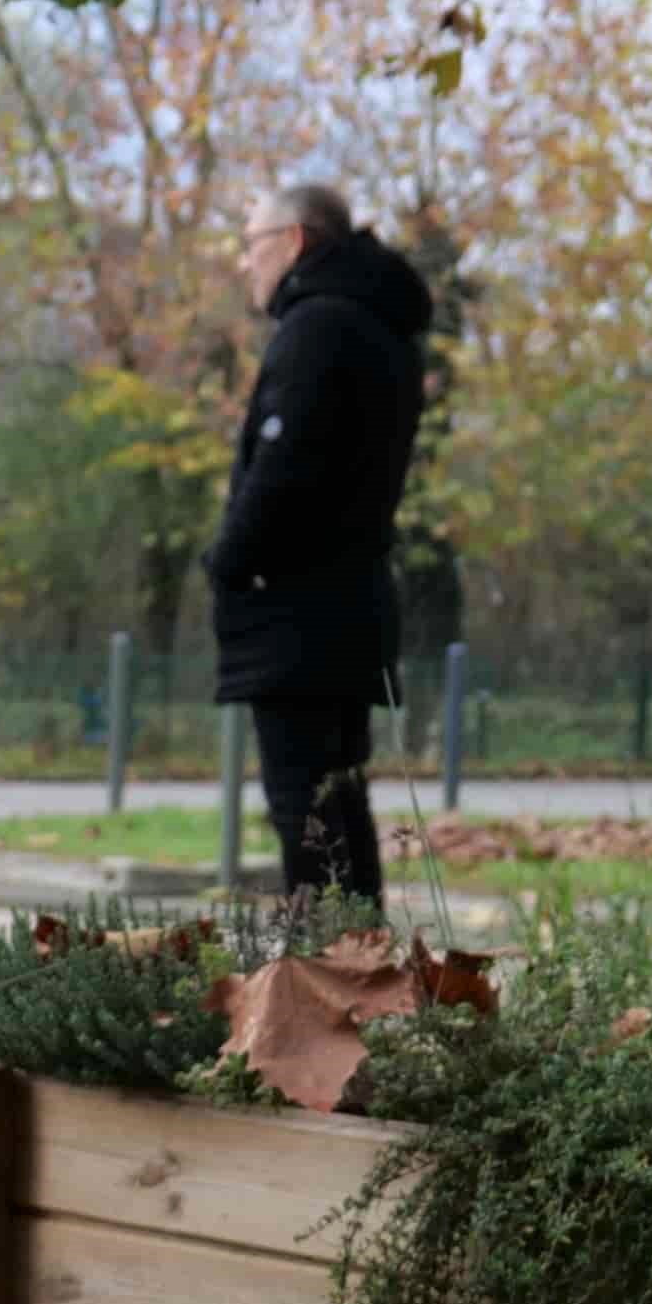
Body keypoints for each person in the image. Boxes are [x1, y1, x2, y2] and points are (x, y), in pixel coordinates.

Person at [206, 179, 432, 920]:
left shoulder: (317, 327)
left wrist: (227, 560)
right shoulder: (381, 328)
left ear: (295, 240)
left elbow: (284, 466)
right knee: (339, 808)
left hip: (296, 610)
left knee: (306, 816)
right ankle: (359, 978)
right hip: (349, 602)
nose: (245, 263)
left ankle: (327, 996)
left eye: (251, 244)